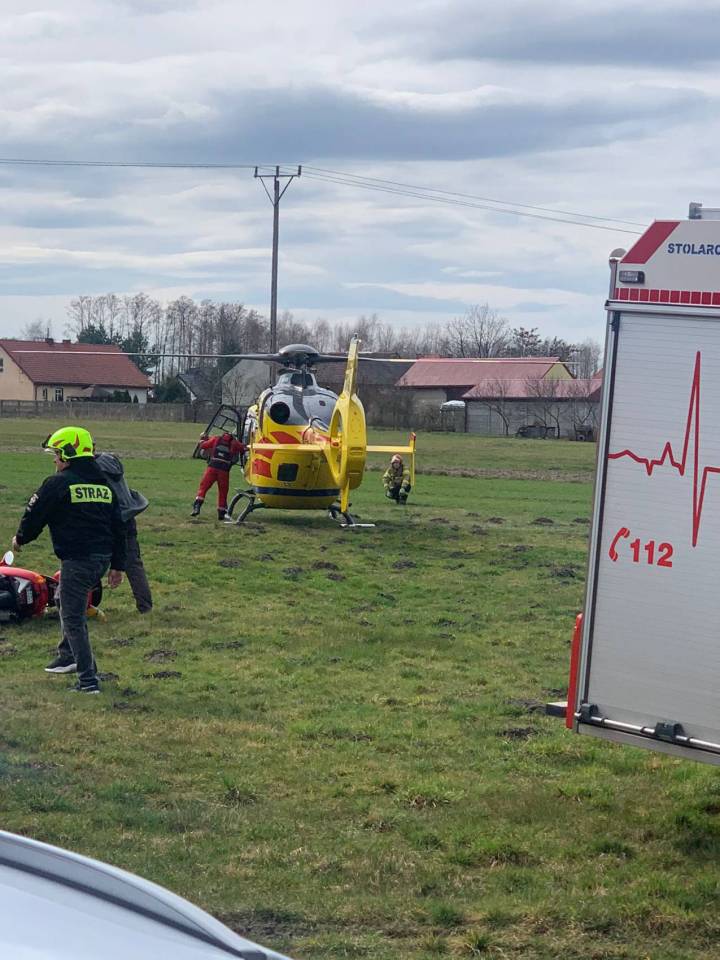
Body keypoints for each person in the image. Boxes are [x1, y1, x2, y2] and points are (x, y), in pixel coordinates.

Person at [11, 426, 126, 694]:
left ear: (67, 454)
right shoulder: (103, 485)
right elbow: (120, 527)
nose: (54, 460)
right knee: (62, 598)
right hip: (101, 559)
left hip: (78, 560)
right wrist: (118, 565)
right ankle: (67, 655)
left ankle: (88, 680)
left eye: (56, 454)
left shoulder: (58, 484)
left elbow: (35, 514)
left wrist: (20, 539)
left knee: (73, 618)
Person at [94, 451, 152, 614]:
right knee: (134, 564)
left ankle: (81, 603)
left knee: (89, 561)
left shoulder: (91, 468)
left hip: (108, 517)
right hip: (127, 516)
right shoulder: (111, 461)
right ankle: (145, 607)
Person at [191, 431, 246, 521]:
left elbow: (204, 445)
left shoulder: (216, 439)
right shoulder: (234, 443)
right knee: (223, 492)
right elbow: (243, 448)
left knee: (203, 488)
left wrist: (202, 440)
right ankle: (221, 513)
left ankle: (197, 507)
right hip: (224, 470)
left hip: (212, 467)